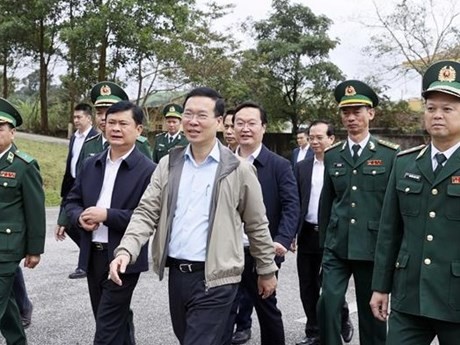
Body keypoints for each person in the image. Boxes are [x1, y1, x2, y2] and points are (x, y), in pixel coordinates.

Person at [109, 87, 278, 345]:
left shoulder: (239, 170)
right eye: (188, 114)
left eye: (201, 115)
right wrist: (126, 250)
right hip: (178, 275)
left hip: (217, 279)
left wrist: (266, 269)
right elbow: (146, 211)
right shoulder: (169, 163)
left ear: (219, 122)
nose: (192, 122)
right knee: (190, 337)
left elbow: (256, 224)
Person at [370, 60, 460, 344]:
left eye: (448, 109)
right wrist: (380, 287)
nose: (437, 115)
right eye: (431, 108)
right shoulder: (404, 163)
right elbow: (389, 232)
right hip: (410, 297)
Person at [65, 101, 156, 345]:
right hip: (93, 256)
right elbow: (71, 202)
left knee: (106, 326)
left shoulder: (149, 171)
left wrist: (107, 215)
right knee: (111, 319)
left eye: (123, 123)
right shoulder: (91, 164)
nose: (115, 128)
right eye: (111, 122)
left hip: (124, 256)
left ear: (139, 129)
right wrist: (79, 217)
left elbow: (147, 217)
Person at [318, 80, 399, 345]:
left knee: (372, 313)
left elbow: (394, 208)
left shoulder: (390, 156)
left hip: (372, 247)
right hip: (337, 246)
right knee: (327, 304)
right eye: (345, 112)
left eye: (357, 111)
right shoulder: (332, 155)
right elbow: (326, 203)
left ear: (371, 114)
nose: (351, 118)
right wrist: (324, 247)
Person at [225, 101, 300, 345]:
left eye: (251, 123)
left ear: (263, 127)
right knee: (222, 309)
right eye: (239, 123)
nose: (245, 129)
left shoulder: (279, 165)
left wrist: (281, 240)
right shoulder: (222, 163)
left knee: (266, 307)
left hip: (262, 250)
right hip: (226, 250)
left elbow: (291, 207)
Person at [294, 120, 353, 345]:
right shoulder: (302, 167)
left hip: (332, 233)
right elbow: (296, 201)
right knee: (307, 285)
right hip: (308, 232)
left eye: (320, 137)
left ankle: (342, 317)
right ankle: (314, 331)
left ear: (331, 139)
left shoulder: (340, 164)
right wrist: (292, 233)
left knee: (329, 285)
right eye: (311, 138)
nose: (315, 142)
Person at [0, 97, 46, 344]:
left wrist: (34, 250)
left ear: (12, 132)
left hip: (7, 248)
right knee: (6, 305)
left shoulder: (24, 165)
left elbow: (36, 211)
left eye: (0, 127)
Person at [56, 103, 98, 279]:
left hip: (87, 186)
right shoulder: (74, 137)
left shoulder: (95, 138)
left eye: (79, 117)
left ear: (89, 118)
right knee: (69, 224)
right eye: (74, 117)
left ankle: (84, 265)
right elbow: (71, 162)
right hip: (72, 183)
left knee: (83, 225)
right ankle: (91, 257)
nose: (76, 121)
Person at [76, 81, 152, 174]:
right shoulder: (89, 144)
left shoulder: (139, 144)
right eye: (99, 113)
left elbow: (149, 177)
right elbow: (80, 177)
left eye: (109, 112)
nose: (104, 118)